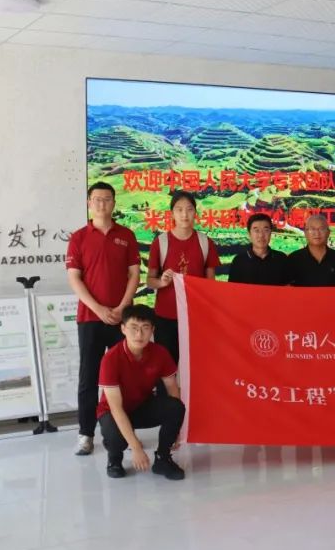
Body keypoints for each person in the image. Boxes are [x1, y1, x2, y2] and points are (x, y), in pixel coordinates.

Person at [66, 181, 140, 456]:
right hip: (90, 318)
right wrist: (98, 309)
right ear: (89, 203)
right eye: (96, 199)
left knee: (126, 377)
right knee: (89, 377)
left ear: (114, 203)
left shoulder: (127, 235)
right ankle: (86, 434)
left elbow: (134, 274)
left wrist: (122, 307)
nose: (101, 204)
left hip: (123, 319)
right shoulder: (78, 237)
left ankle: (124, 433)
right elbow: (74, 278)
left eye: (107, 199)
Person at [97, 304, 186, 480]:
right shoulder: (111, 359)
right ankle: (114, 458)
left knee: (176, 407)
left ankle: (163, 458)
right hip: (112, 412)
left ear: (152, 330)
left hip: (141, 406)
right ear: (123, 329)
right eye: (134, 328)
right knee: (116, 438)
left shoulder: (160, 353)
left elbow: (173, 390)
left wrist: (177, 429)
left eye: (145, 328)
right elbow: (116, 408)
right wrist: (136, 447)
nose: (139, 334)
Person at [146, 191, 221, 363]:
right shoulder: (160, 242)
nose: (184, 214)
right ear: (172, 213)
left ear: (195, 212)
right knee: (166, 366)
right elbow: (149, 281)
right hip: (166, 316)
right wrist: (162, 282)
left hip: (196, 316)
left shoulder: (205, 242)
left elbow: (211, 284)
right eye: (179, 210)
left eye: (189, 209)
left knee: (198, 366)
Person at [287, 213, 335, 287]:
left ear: (328, 233)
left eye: (321, 229)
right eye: (312, 229)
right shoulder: (293, 259)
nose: (317, 233)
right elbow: (287, 290)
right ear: (305, 233)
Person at [228, 213, 290, 286]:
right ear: (249, 234)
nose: (261, 235)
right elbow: (233, 289)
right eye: (256, 230)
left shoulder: (282, 259)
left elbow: (288, 288)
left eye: (266, 230)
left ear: (271, 233)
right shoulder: (239, 261)